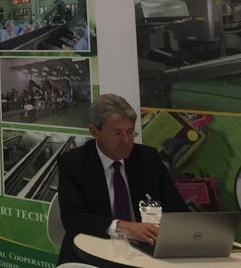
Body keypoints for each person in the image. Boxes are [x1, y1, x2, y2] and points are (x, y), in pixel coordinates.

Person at [56, 94, 187, 265]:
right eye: (117, 133)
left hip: (144, 252)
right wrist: (122, 227)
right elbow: (73, 219)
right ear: (94, 132)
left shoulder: (147, 158)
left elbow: (177, 209)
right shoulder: (74, 163)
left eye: (130, 132)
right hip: (93, 253)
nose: (126, 141)